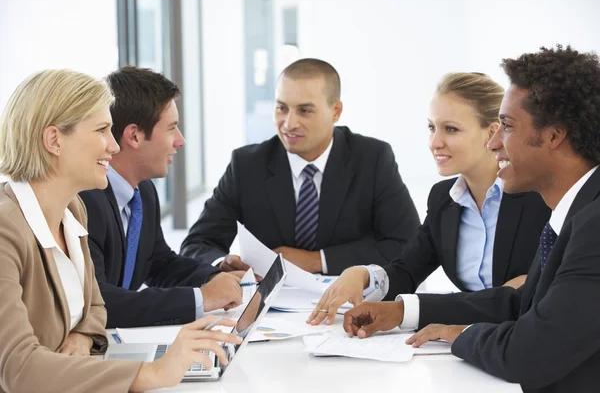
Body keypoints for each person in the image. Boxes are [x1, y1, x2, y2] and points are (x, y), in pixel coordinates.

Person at [342, 45, 600, 392]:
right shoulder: (574, 212)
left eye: (505, 126)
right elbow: (518, 302)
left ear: (554, 135)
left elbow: (529, 353)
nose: (494, 144)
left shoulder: (593, 226)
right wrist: (404, 312)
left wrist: (462, 335)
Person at [0, 69, 242, 393]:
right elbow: (18, 369)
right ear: (54, 140)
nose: (113, 146)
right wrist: (152, 373)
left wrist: (84, 335)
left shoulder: (72, 211)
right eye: (101, 130)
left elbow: (96, 305)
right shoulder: (6, 230)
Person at [308, 72, 550, 325]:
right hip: (466, 341)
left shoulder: (537, 198)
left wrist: (409, 310)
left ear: (491, 133)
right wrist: (362, 275)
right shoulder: (443, 200)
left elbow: (516, 296)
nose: (435, 142)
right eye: (432, 127)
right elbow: (406, 271)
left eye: (451, 129)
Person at [180, 58, 420, 275]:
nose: (289, 123)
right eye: (281, 108)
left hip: (348, 301)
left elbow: (407, 244)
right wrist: (222, 263)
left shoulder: (372, 159)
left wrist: (316, 261)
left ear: (335, 111)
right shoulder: (247, 165)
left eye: (305, 111)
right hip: (269, 308)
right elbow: (197, 245)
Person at [79, 66, 242, 328]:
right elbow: (100, 300)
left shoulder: (142, 192)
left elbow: (158, 263)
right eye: (172, 129)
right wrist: (200, 298)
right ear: (134, 135)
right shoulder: (85, 201)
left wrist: (214, 277)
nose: (181, 141)